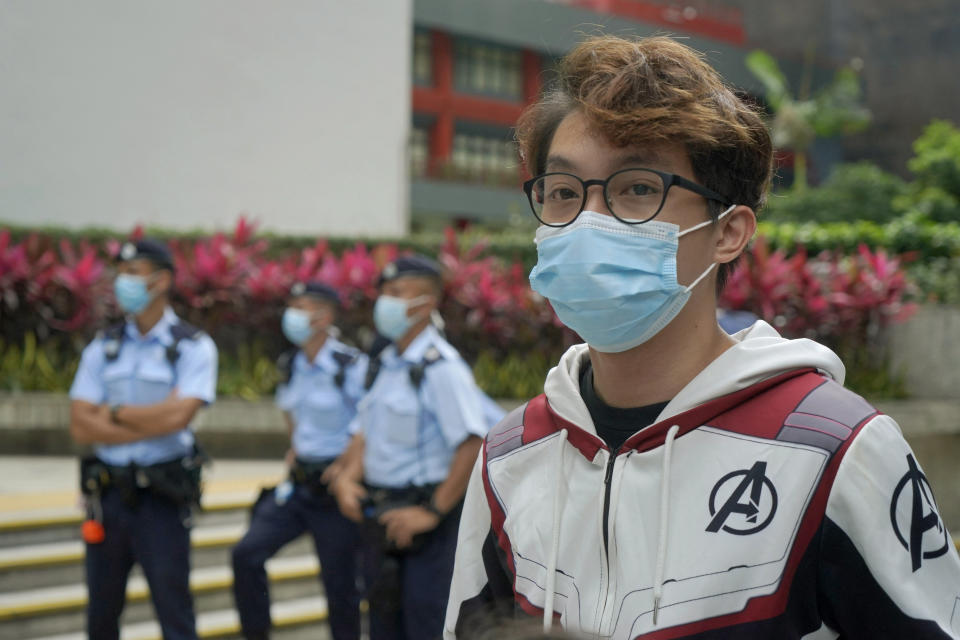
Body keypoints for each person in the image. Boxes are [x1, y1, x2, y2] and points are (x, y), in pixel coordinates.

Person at [446, 35, 960, 639]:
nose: (587, 220)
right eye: (562, 192)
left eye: (637, 188)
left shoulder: (835, 449)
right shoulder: (511, 455)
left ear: (729, 232)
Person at [331, 255, 498, 640]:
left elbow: (472, 443)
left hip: (427, 523)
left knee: (426, 625)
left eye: (395, 294)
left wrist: (432, 511)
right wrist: (346, 479)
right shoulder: (384, 363)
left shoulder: (442, 367)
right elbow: (364, 430)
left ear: (424, 305)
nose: (383, 303)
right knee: (383, 624)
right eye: (383, 293)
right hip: (382, 518)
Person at [69, 239, 218, 640]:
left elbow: (181, 417)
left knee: (174, 612)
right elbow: (80, 425)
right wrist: (156, 415)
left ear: (162, 280)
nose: (124, 282)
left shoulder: (191, 346)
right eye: (122, 273)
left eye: (134, 273)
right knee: (101, 614)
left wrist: (113, 412)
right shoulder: (104, 346)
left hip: (162, 499)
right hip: (109, 497)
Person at [231, 282, 369, 640]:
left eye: (302, 307)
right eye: (291, 305)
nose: (291, 315)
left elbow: (368, 420)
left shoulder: (349, 365)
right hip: (298, 488)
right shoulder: (291, 364)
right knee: (246, 554)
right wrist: (296, 449)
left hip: (333, 487)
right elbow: (290, 414)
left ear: (324, 316)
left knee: (340, 591)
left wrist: (344, 467)